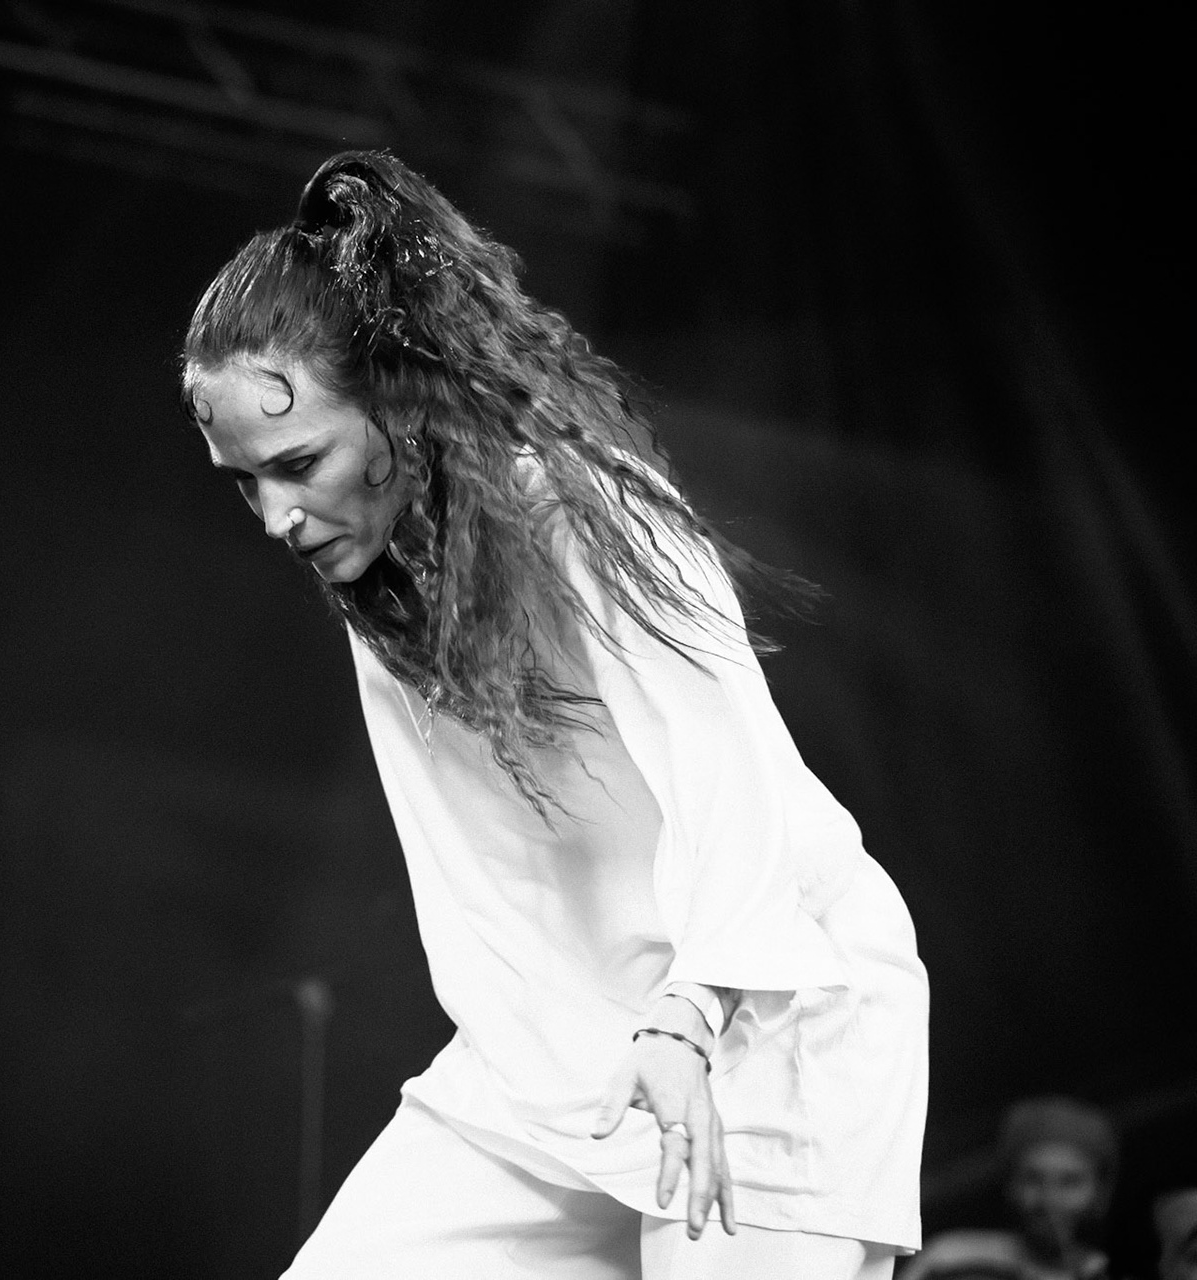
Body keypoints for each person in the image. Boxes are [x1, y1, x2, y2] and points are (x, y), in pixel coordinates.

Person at [182, 150, 929, 1279]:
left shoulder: (587, 510)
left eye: (299, 460)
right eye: (246, 480)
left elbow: (736, 776)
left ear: (398, 399)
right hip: (544, 1074)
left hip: (762, 1029)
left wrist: (689, 1014)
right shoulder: (379, 585)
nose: (279, 515)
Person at [902, 1096, 1123, 1280]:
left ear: (1101, 1191)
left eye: (1070, 1182)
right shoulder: (950, 1259)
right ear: (1010, 1185)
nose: (1050, 1199)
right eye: (1033, 1179)